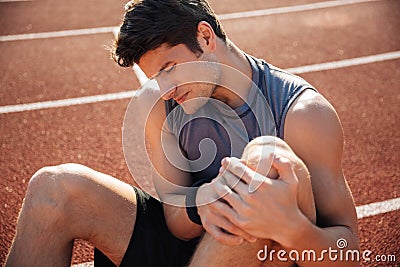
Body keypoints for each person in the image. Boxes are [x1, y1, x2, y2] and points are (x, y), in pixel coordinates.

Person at [5, 0, 359, 266]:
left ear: (205, 37)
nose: (165, 87)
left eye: (170, 68)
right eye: (155, 76)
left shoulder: (303, 114)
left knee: (263, 162)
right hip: (187, 251)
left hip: (264, 254)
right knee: (53, 186)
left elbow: (348, 253)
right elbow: (176, 220)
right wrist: (204, 201)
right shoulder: (161, 102)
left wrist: (289, 228)